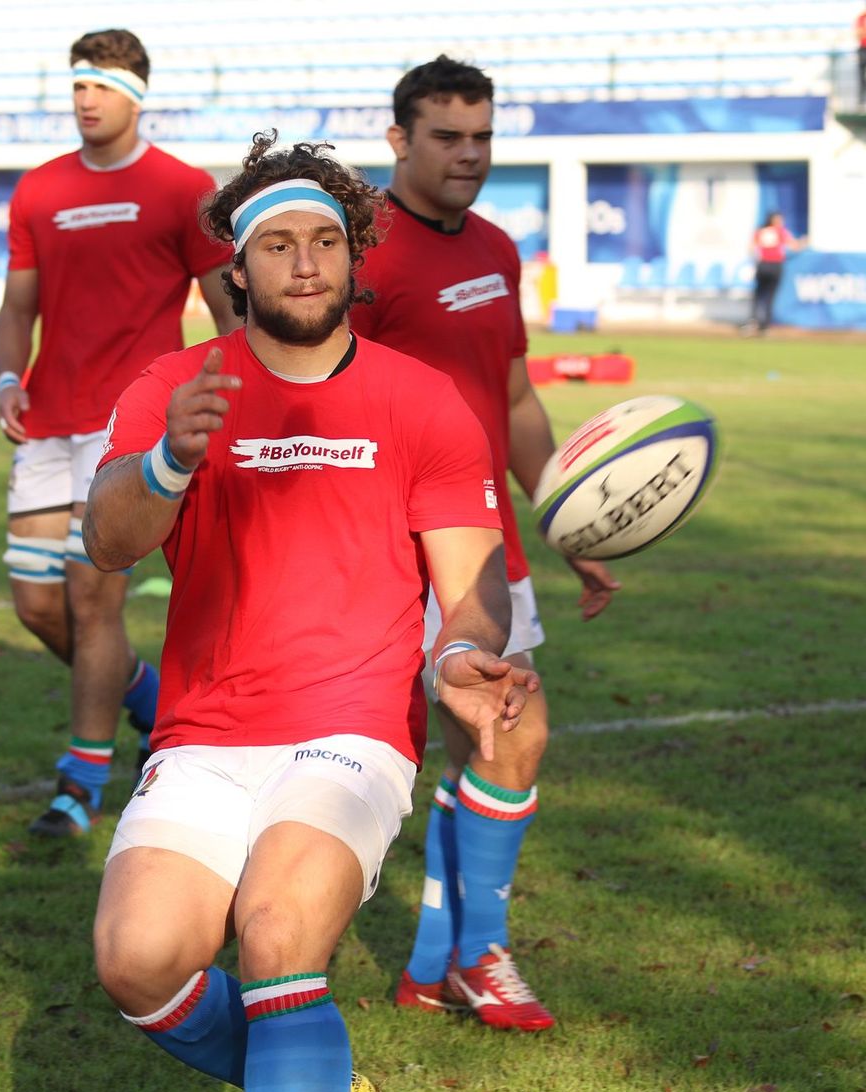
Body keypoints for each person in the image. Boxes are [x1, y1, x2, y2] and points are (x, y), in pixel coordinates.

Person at [84, 130, 538, 1092]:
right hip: (203, 733)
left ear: (351, 254)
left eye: (324, 241)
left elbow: (473, 581)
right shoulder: (174, 390)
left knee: (279, 936)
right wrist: (167, 462)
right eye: (278, 243)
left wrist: (462, 649)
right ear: (237, 266)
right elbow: (107, 540)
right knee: (137, 963)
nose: (304, 261)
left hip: (352, 727)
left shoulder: (422, 400)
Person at [348, 55, 619, 1032]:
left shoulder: (499, 249)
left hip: (489, 537)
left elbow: (513, 399)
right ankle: (473, 953)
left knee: (495, 740)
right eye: (447, 137)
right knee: (502, 734)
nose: (469, 155)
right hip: (392, 547)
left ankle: (438, 960)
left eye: (482, 137)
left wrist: (565, 517)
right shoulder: (359, 250)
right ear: (398, 141)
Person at [0, 28, 241, 838]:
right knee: (37, 605)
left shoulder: (181, 188)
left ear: (136, 94)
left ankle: (79, 785)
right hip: (46, 421)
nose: (85, 99)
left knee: (92, 597)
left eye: (100, 85)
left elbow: (224, 306)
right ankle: (152, 704)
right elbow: (17, 306)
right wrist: (5, 376)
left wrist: (238, 387)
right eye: (76, 86)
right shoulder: (36, 191)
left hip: (127, 423)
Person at [745, 211, 800, 336]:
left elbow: (751, 247)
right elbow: (794, 246)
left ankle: (753, 322)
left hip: (763, 265)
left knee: (759, 295)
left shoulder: (761, 231)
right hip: (775, 265)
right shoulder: (780, 231)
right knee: (770, 296)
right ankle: (764, 326)